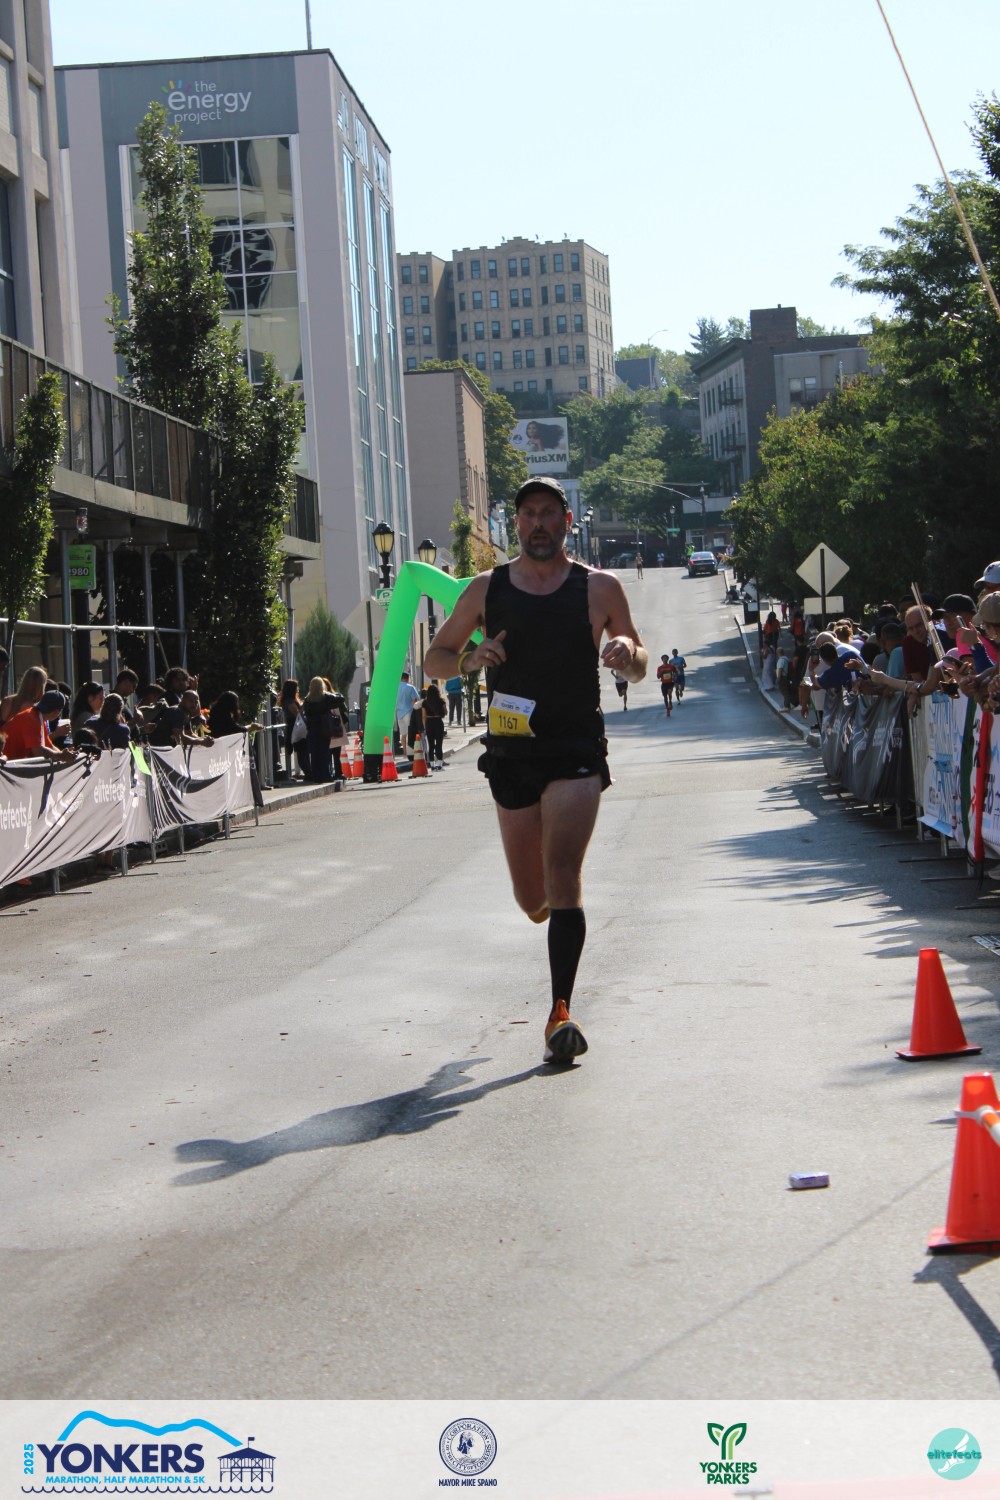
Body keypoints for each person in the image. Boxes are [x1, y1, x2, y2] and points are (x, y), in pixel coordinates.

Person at [423, 474, 647, 1065]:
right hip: (512, 753)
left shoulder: (599, 587)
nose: (539, 523)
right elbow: (433, 659)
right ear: (516, 524)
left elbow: (639, 657)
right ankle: (548, 913)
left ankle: (560, 1012)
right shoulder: (486, 588)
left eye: (549, 513)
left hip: (575, 748)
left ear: (566, 522)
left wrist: (627, 654)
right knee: (533, 899)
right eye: (528, 514)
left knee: (564, 871)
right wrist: (470, 659)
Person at [1, 690, 76, 764]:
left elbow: (49, 746)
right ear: (57, 711)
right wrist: (61, 755)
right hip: (5, 765)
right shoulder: (31, 719)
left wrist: (65, 754)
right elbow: (38, 751)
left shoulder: (38, 716)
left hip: (9, 764)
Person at [301, 676, 337, 781]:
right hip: (324, 727)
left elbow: (305, 713)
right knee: (324, 752)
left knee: (314, 754)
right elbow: (339, 699)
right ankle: (326, 775)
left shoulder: (307, 700)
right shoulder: (326, 697)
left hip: (312, 729)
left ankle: (316, 776)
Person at [421, 680, 447, 768]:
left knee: (431, 745)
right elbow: (445, 712)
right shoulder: (441, 701)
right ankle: (439, 763)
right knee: (439, 744)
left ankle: (432, 764)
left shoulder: (425, 702)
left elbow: (423, 716)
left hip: (429, 723)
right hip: (438, 722)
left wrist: (424, 727)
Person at [395, 671, 421, 755]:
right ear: (407, 678)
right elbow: (414, 701)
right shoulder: (410, 687)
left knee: (403, 734)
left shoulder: (395, 688)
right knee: (411, 732)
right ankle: (413, 752)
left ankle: (405, 752)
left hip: (399, 714)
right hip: (409, 712)